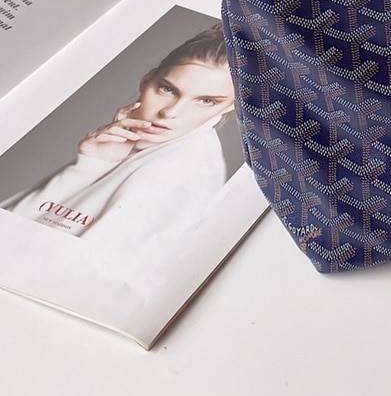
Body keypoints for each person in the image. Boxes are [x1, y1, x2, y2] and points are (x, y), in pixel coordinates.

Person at [2, 23, 235, 254]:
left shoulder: (176, 172)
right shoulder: (141, 147)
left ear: (230, 107)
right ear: (147, 80)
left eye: (207, 101)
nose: (170, 112)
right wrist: (88, 167)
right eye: (167, 89)